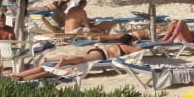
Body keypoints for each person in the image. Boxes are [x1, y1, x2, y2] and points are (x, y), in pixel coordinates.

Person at [16, 34, 144, 79]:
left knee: (76, 56)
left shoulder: (118, 44)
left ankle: (49, 59)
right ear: (130, 41)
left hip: (97, 50)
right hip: (101, 55)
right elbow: (140, 49)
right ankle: (63, 60)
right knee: (80, 59)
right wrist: (135, 44)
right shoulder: (127, 47)